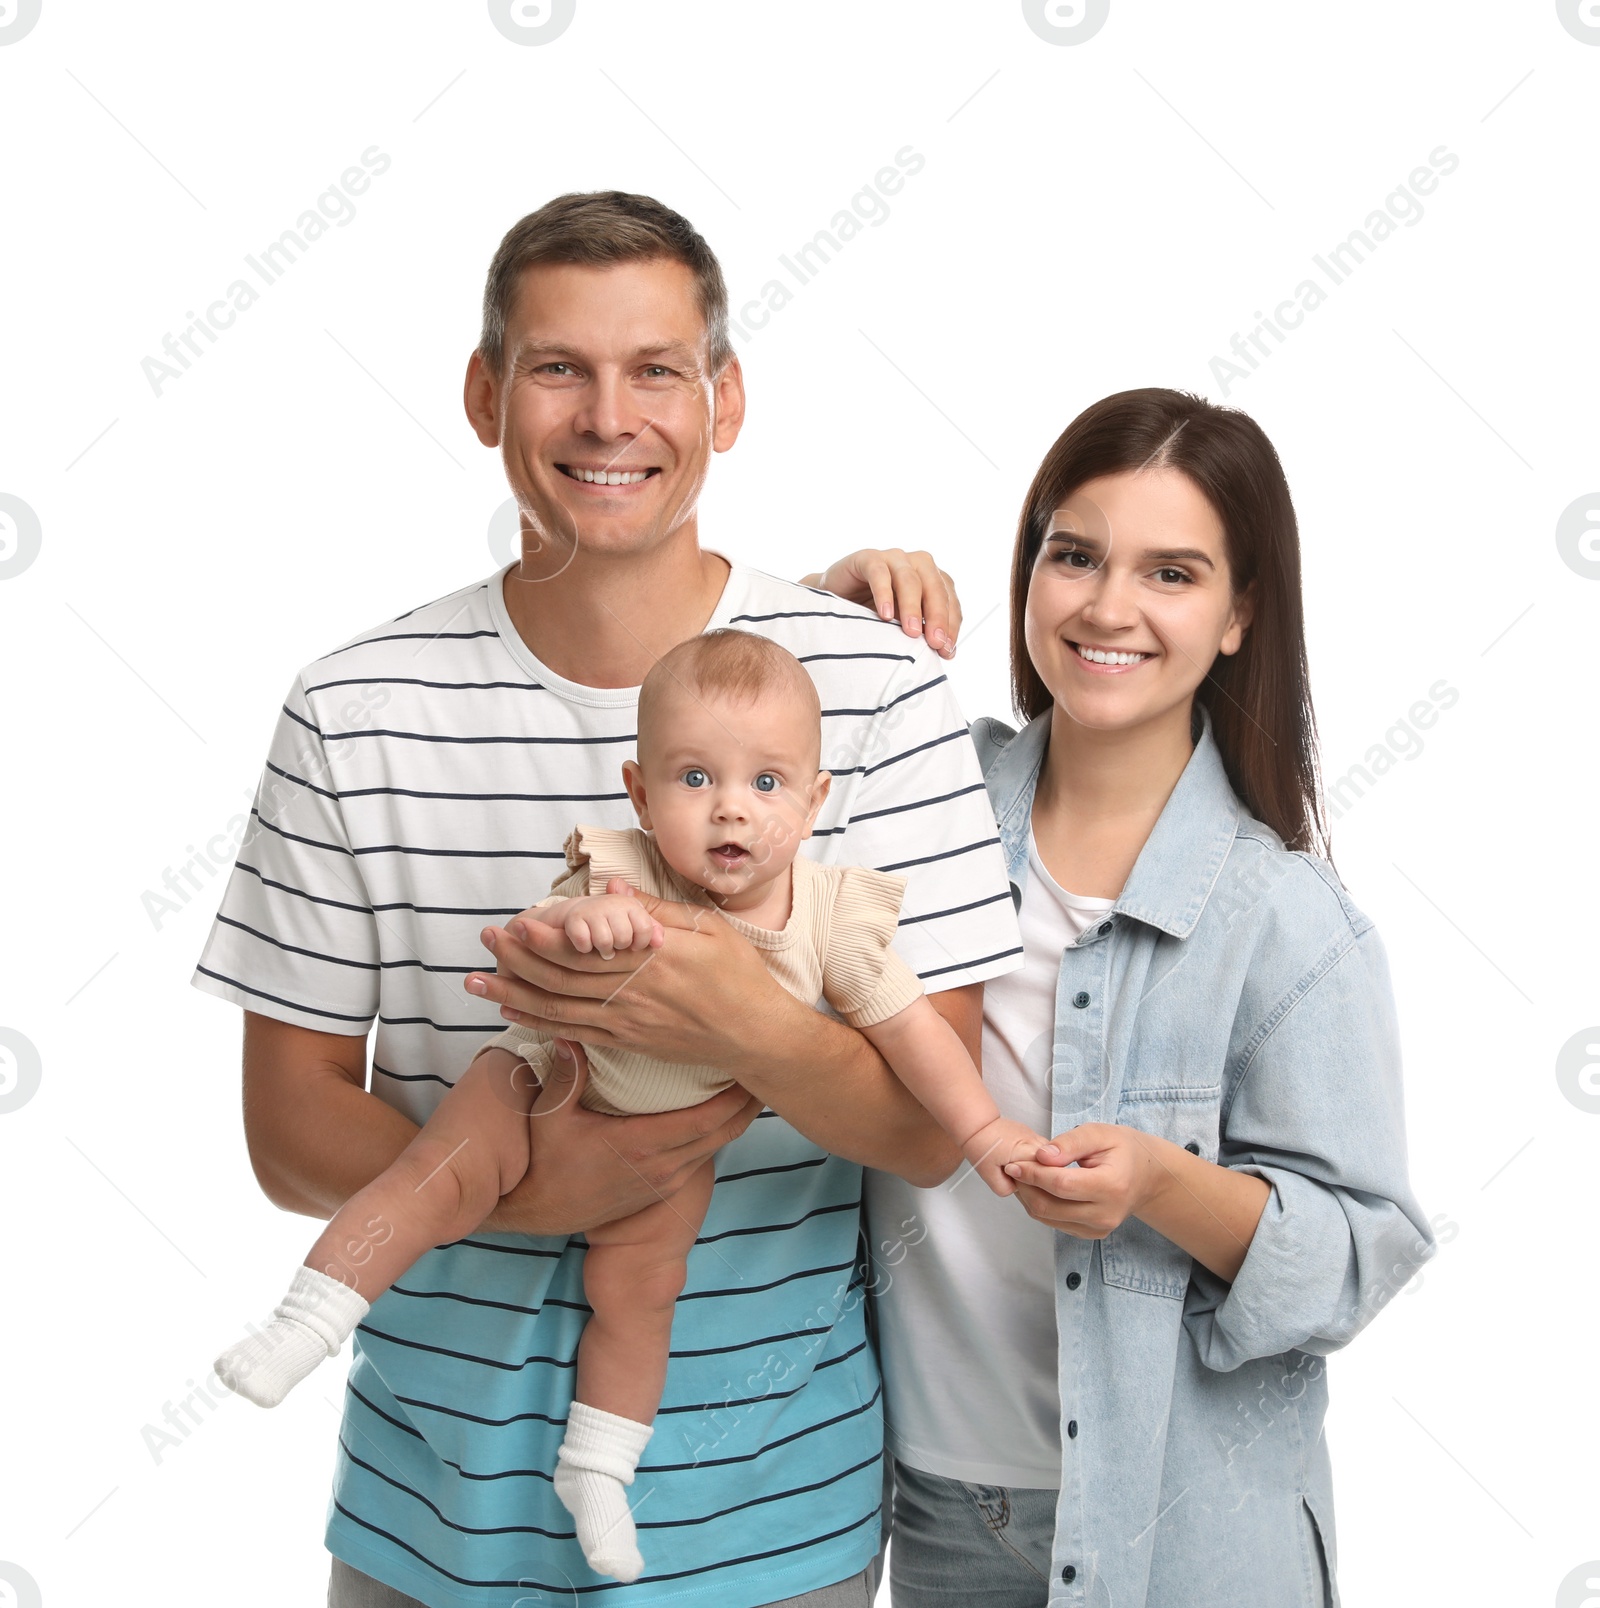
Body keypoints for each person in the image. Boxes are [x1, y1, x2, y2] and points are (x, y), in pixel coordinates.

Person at [191, 190, 1022, 1608]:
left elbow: (922, 1129)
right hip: (429, 1518)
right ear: (485, 393)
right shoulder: (355, 708)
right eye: (558, 367)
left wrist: (743, 1024)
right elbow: (286, 1130)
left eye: (656, 370)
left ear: (726, 398)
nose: (607, 417)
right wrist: (529, 1189)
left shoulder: (875, 686)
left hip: (777, 1517)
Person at [210, 629, 1042, 1585]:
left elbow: (910, 1030)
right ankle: (310, 1320)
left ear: (816, 803)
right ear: (640, 794)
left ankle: (598, 1467)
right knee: (433, 1178)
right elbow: (542, 933)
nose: (731, 807)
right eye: (694, 780)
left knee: (641, 1298)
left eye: (767, 784)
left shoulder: (829, 917)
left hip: (673, 1154)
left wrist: (983, 1130)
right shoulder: (625, 874)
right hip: (536, 1085)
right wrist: (582, 922)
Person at [837, 389, 1435, 1606]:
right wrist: (821, 623)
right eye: (1075, 556)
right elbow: (714, 775)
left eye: (1171, 573)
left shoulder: (1285, 919)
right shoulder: (922, 808)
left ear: (1237, 616)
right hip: (936, 1514)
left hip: (1184, 1537)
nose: (1108, 607)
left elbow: (1360, 1256)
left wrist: (1162, 1185)